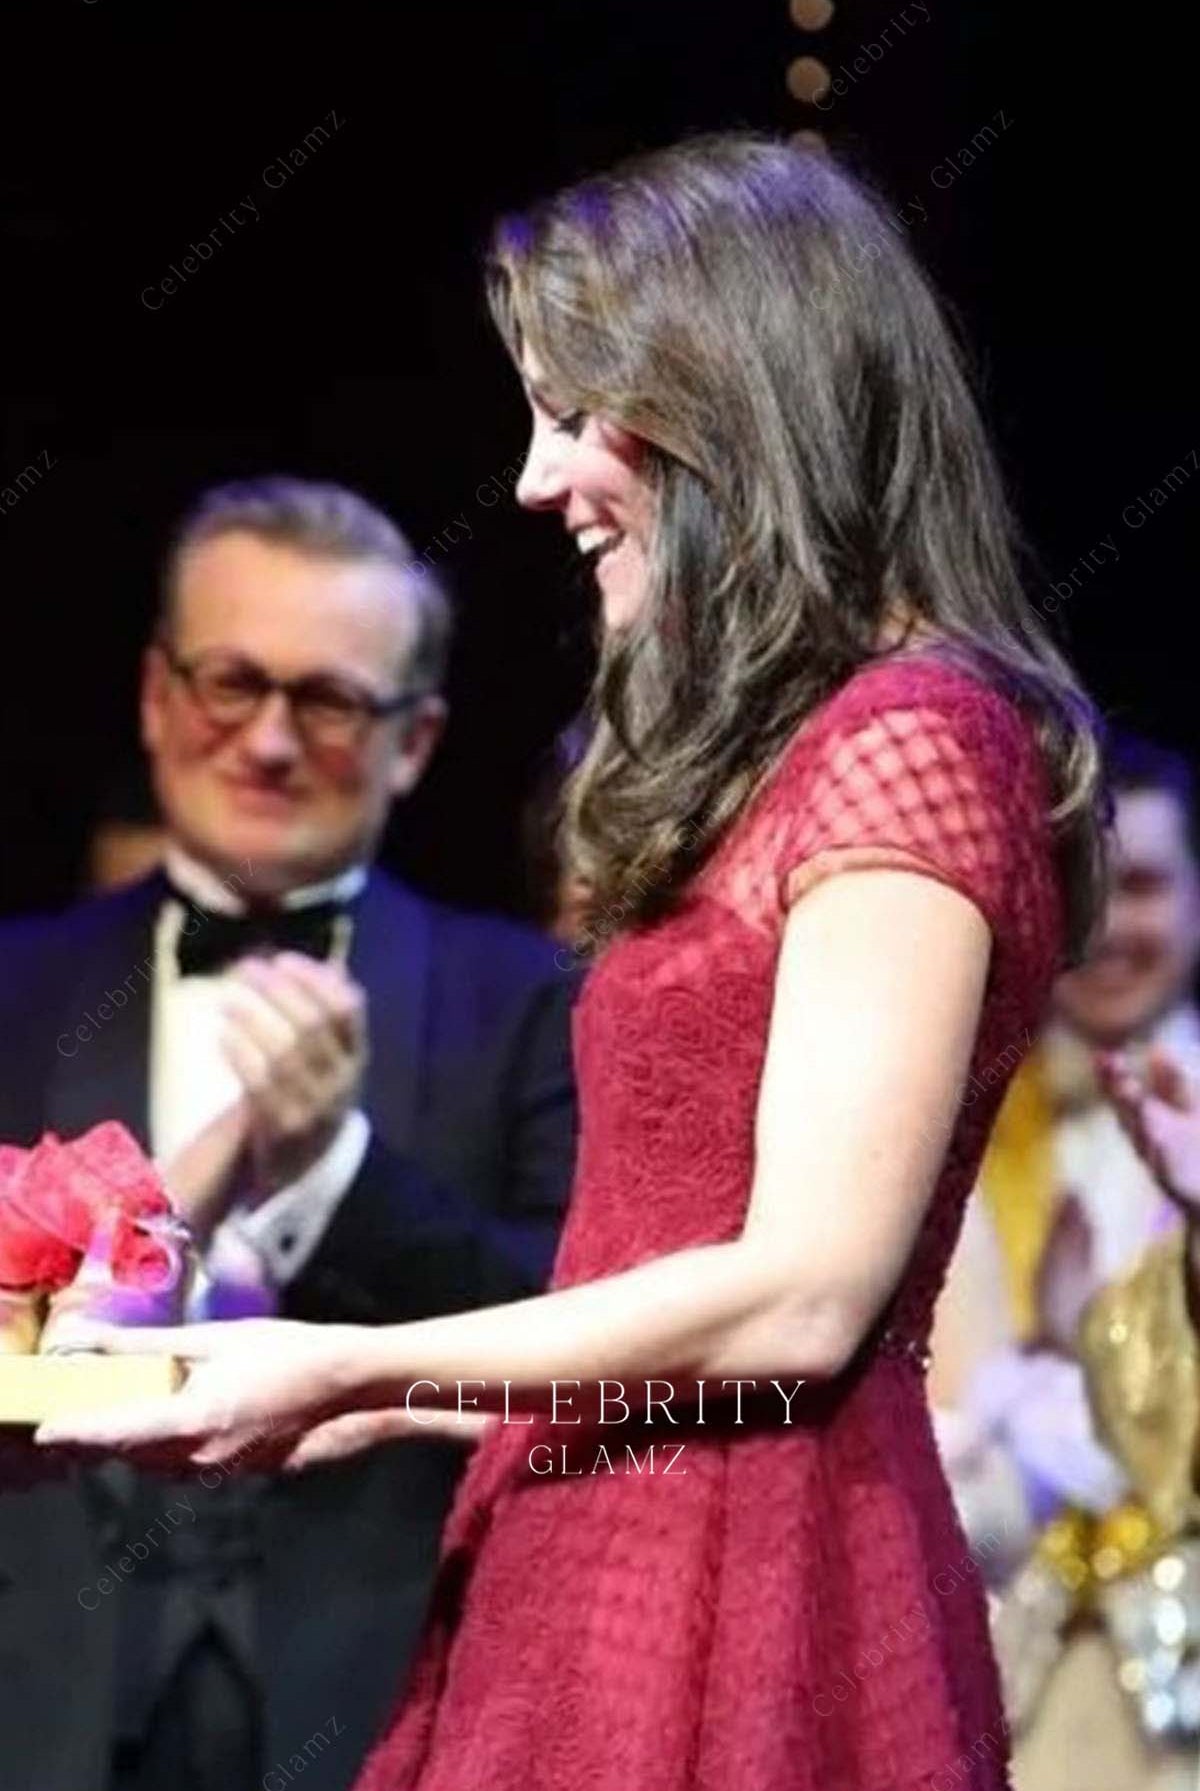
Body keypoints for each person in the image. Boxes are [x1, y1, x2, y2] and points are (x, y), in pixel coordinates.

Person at [38, 134, 1107, 1791]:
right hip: (598, 1532)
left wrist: (364, 1354)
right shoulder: (794, 752)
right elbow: (670, 1306)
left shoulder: (917, 739)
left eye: (569, 409)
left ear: (731, 393)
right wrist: (408, 1406)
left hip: (750, 1579)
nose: (533, 480)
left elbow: (808, 1301)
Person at [0, 476, 578, 1791]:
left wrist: (338, 1168)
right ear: (157, 696)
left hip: (400, 1701)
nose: (267, 740)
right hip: (42, 1700)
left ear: (416, 738)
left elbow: (574, 1351)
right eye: (230, 682)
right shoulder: (12, 986)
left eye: (325, 699)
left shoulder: (530, 997)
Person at [931, 735, 1200, 1791]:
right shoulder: (962, 1116)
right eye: (1073, 888)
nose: (1100, 929)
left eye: (1138, 887)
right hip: (1002, 1685)